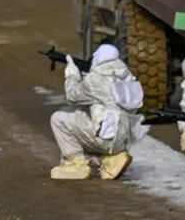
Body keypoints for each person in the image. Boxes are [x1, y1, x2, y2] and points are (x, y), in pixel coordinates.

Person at [49, 44, 144, 180]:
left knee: (59, 119)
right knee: (84, 116)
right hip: (122, 141)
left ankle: (76, 164)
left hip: (105, 137)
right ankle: (108, 160)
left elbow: (72, 96)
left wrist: (72, 75)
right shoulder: (128, 78)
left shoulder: (96, 79)